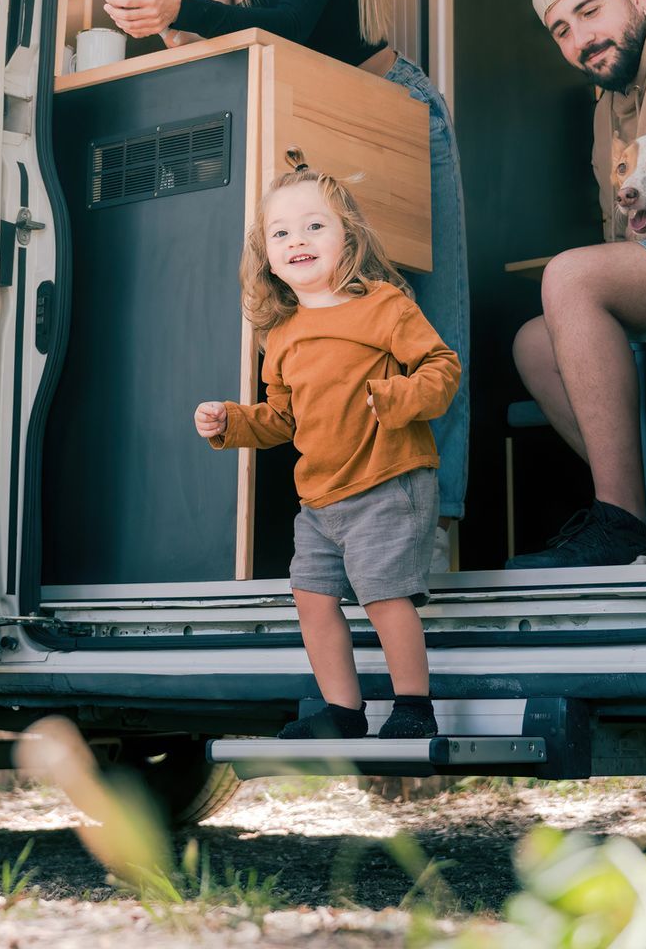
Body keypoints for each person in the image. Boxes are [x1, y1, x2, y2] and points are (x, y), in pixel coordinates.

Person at [106, 0, 469, 569]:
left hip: (390, 107)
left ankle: (439, 523)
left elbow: (289, 23)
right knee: (322, 323)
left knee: (426, 314)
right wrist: (161, 27)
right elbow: (231, 52)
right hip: (312, 126)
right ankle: (346, 526)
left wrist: (180, 12)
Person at [194, 150, 459, 739]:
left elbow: (442, 368)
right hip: (319, 501)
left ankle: (414, 706)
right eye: (281, 233)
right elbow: (282, 419)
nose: (298, 240)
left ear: (349, 237)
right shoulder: (281, 334)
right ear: (267, 255)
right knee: (313, 601)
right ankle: (344, 712)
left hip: (388, 482)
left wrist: (399, 397)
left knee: (386, 598)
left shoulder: (384, 306)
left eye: (315, 226)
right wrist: (231, 422)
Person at [506, 0, 646, 569]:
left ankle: (623, 521)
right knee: (532, 342)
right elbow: (625, 232)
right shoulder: (608, 103)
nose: (580, 38)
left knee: (570, 276)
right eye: (562, 29)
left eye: (589, 12)